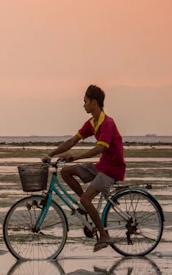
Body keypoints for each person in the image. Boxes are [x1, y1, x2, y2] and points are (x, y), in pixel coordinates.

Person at [43, 85, 126, 252]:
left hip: (112, 169)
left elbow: (99, 149)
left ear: (94, 102)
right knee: (66, 172)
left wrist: (76, 157)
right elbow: (72, 141)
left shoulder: (108, 123)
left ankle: (103, 235)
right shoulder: (92, 123)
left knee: (86, 199)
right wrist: (51, 154)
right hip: (101, 166)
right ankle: (84, 207)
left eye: (85, 102)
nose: (83, 105)